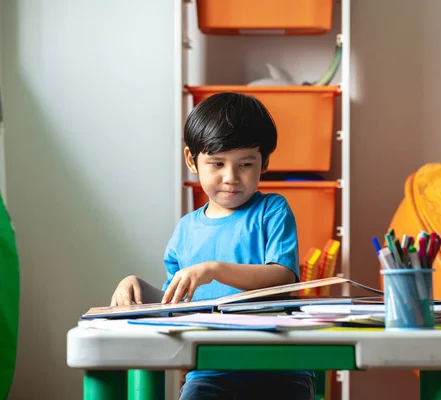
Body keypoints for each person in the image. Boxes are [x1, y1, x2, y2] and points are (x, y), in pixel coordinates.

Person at [110, 92, 315, 400]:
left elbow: (283, 280)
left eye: (246, 163)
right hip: (209, 372)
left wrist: (215, 270)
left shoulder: (272, 210)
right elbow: (174, 304)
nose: (231, 177)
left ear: (264, 162)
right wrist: (136, 286)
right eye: (217, 163)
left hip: (279, 369)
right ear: (192, 160)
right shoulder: (186, 229)